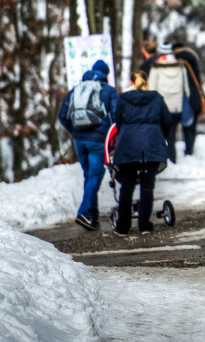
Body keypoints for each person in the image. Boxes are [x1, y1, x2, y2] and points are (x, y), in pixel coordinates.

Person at [58, 60, 119, 230]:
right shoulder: (108, 90)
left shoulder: (76, 90)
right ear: (105, 75)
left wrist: (76, 131)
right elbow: (117, 116)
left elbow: (63, 115)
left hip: (79, 139)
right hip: (98, 140)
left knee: (88, 175)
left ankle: (92, 216)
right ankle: (84, 212)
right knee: (95, 175)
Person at [111, 70, 173, 236]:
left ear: (131, 82)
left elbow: (117, 121)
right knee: (147, 186)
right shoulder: (157, 98)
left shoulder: (123, 99)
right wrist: (161, 136)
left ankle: (123, 226)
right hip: (151, 145)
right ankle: (144, 225)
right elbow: (167, 121)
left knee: (127, 186)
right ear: (146, 81)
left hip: (127, 146)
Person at [146, 44, 190, 163]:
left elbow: (151, 89)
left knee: (160, 135)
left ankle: (162, 161)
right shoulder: (181, 67)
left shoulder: (156, 68)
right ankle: (172, 159)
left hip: (161, 108)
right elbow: (187, 90)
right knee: (172, 135)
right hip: (177, 107)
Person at [169, 38, 205, 156]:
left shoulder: (176, 60)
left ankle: (173, 154)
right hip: (195, 96)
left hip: (179, 96)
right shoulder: (192, 58)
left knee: (173, 127)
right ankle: (189, 151)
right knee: (190, 127)